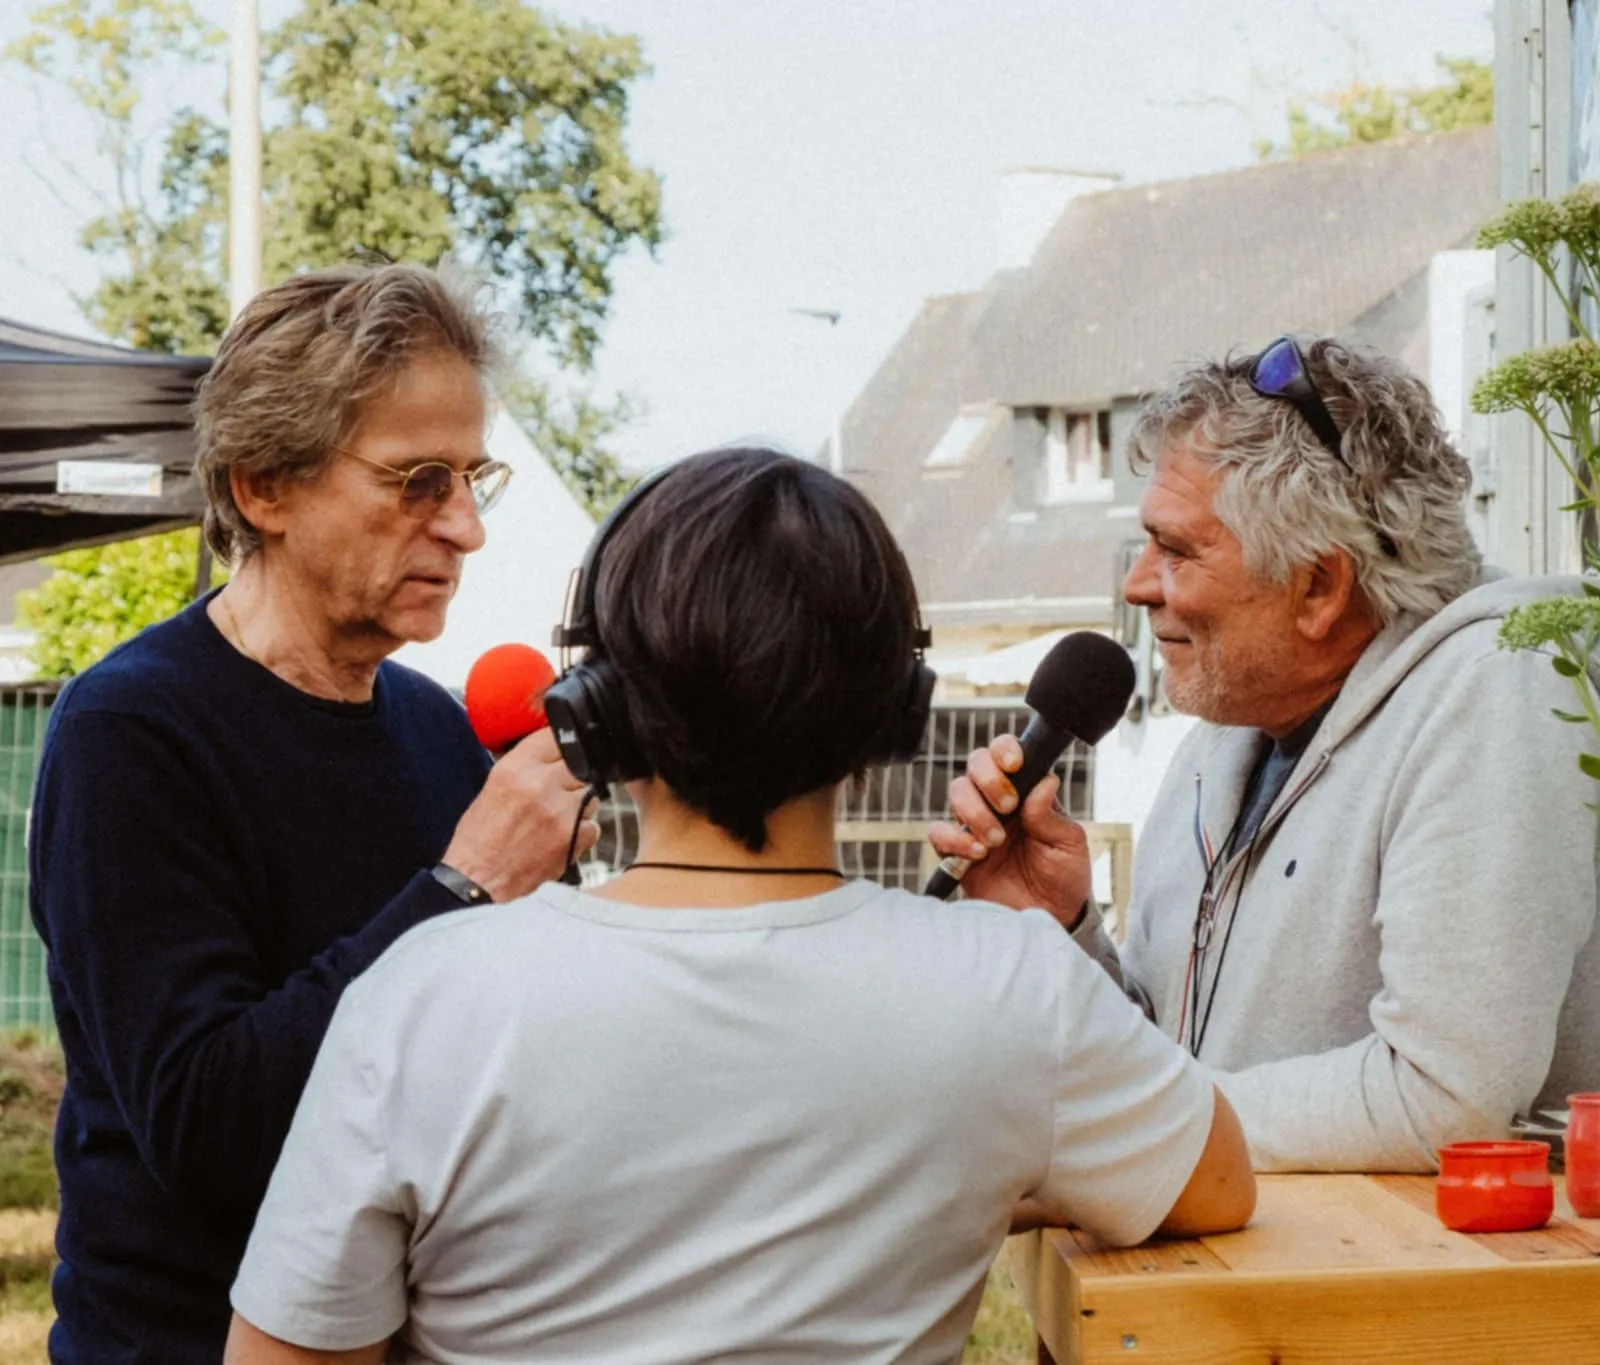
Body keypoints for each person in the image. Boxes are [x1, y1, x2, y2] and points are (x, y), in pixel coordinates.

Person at [222, 447, 1254, 1365]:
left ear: (597, 713)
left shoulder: (422, 994)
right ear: (895, 712)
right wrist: (965, 1170)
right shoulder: (1014, 985)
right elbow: (1215, 1185)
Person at [29, 262, 599, 1365]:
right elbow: (210, 1127)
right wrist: (462, 887)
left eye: (476, 477)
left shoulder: (436, 728)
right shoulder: (132, 734)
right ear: (262, 487)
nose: (466, 528)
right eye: (418, 480)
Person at [935, 334, 1600, 1173]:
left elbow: (1444, 1094)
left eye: (1176, 550)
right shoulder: (1221, 737)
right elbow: (1171, 1062)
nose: (1139, 584)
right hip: (1222, 1294)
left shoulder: (1498, 689)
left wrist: (1129, 1128)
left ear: (1319, 587)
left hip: (1400, 1301)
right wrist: (1064, 925)